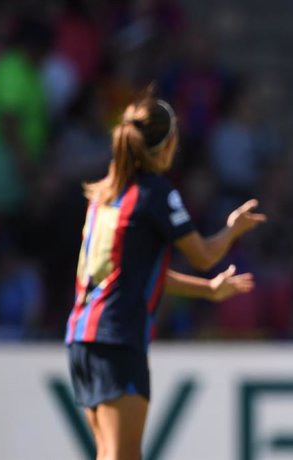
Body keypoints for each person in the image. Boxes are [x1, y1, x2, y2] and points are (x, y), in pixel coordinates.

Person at [64, 89, 266, 460]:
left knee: (110, 453)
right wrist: (232, 230)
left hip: (83, 338)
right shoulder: (155, 192)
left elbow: (133, 273)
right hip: (117, 336)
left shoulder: (107, 193)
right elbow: (204, 255)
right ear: (168, 144)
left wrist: (207, 291)